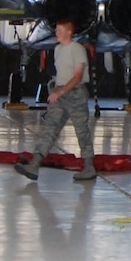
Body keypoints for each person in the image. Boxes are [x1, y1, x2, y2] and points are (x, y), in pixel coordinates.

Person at [15, 17, 97, 183]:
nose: (56, 33)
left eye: (60, 30)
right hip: (60, 93)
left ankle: (89, 167)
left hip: (75, 94)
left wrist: (60, 92)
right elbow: (60, 75)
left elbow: (77, 76)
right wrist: (55, 89)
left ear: (69, 32)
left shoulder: (77, 49)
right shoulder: (58, 49)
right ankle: (34, 165)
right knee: (49, 129)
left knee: (82, 131)